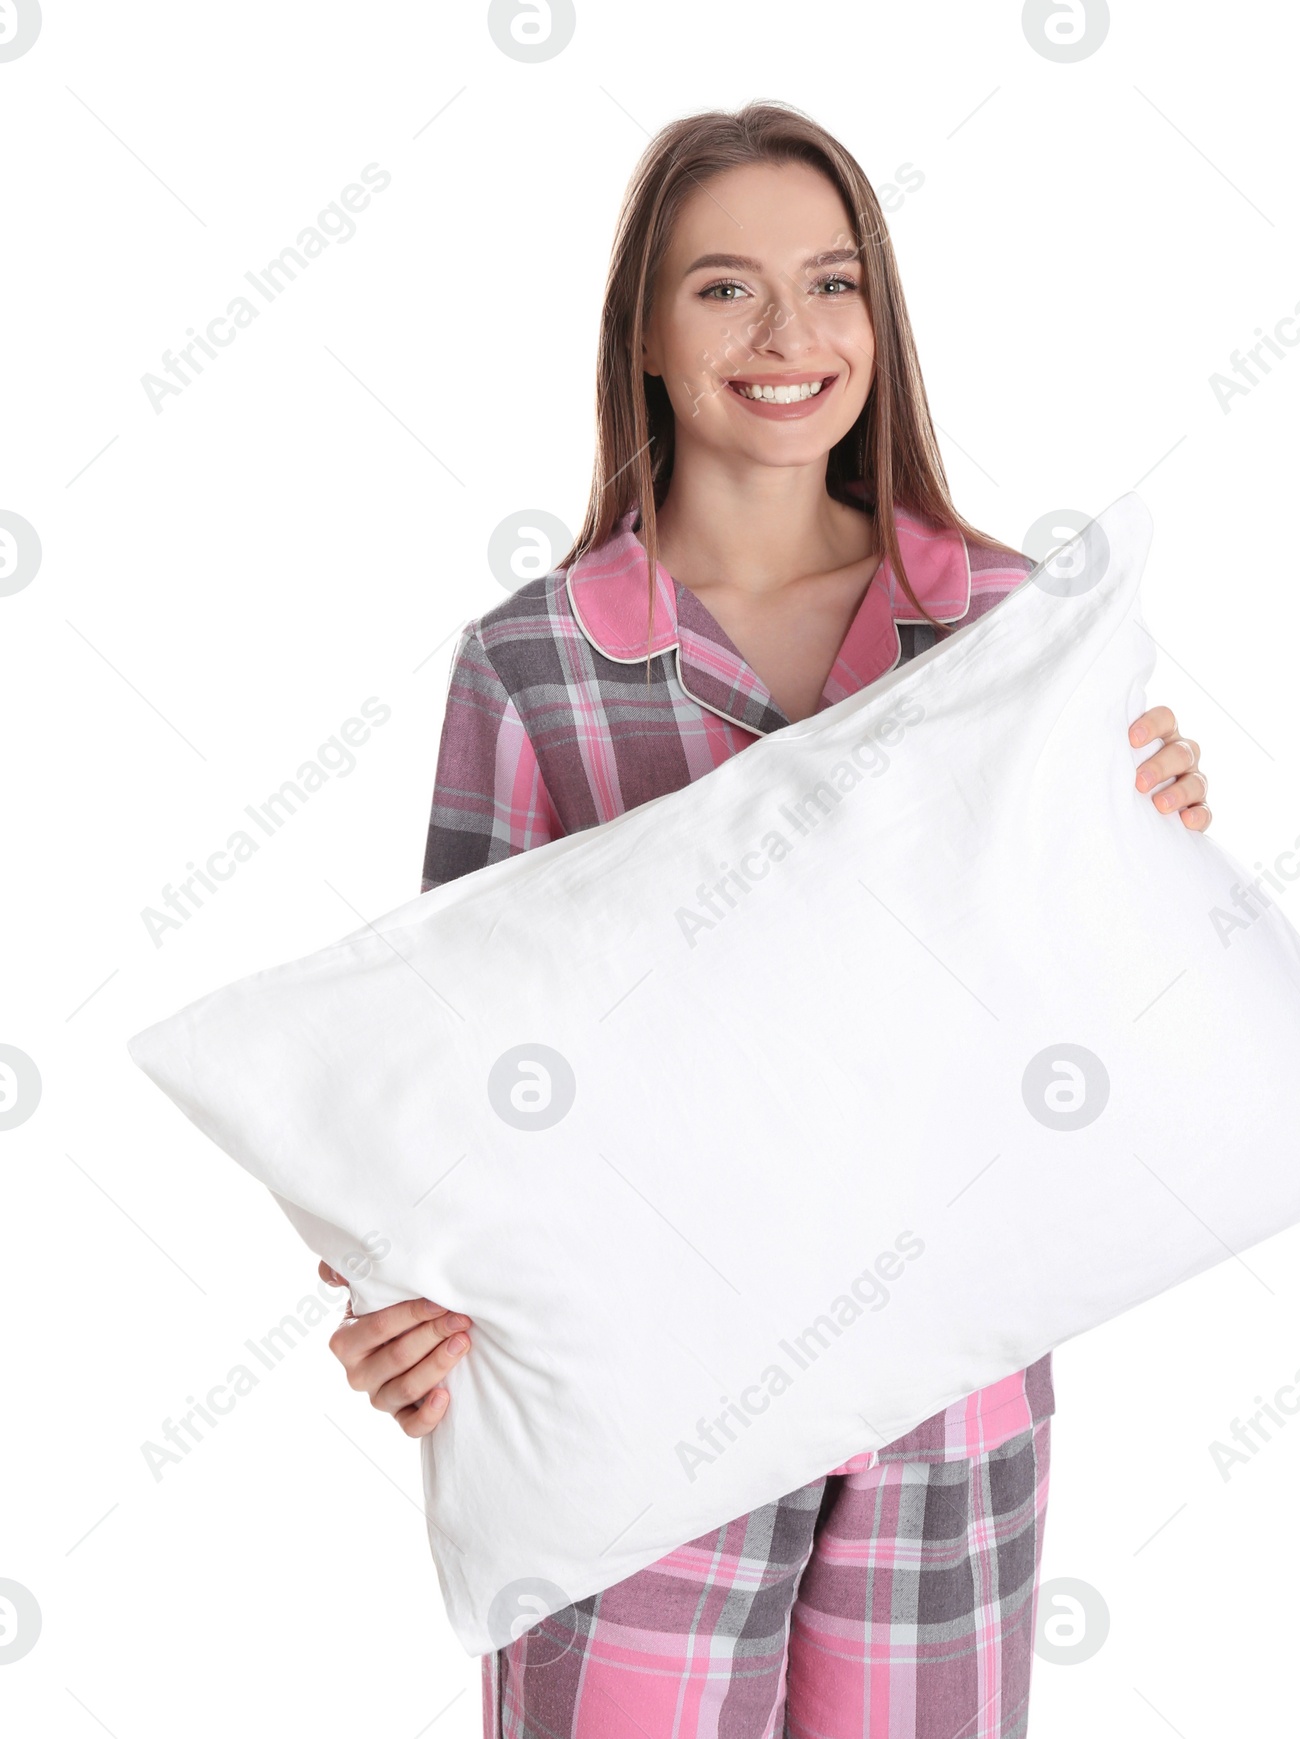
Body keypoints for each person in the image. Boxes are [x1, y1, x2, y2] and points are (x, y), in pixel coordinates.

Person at [320, 101, 1212, 1739]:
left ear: (882, 316)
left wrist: (1164, 841)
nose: (791, 334)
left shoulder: (1014, 634)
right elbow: (444, 1073)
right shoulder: (534, 668)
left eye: (834, 281)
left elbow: (1113, 1018)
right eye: (725, 288)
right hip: (635, 1409)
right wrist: (388, 1290)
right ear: (645, 333)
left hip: (950, 1405)